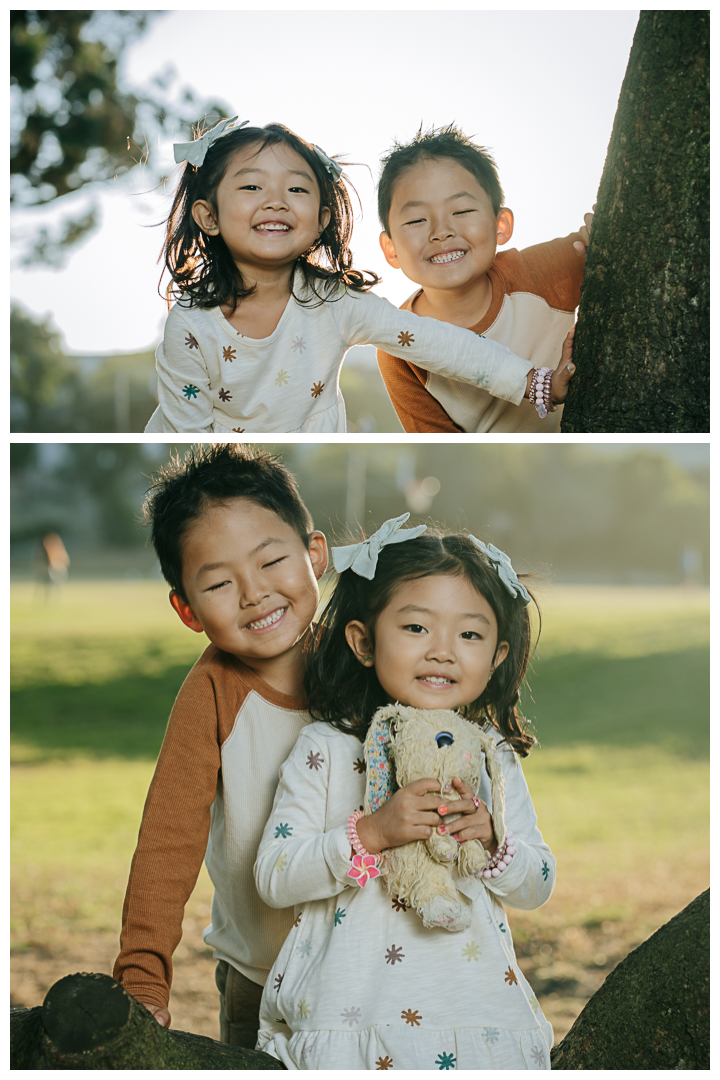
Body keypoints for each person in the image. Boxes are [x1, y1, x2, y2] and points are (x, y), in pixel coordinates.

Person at [254, 516, 555, 1070]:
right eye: (416, 628)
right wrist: (370, 834)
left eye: (469, 634)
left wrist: (493, 843)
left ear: (496, 655)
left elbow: (538, 883)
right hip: (351, 1018)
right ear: (364, 641)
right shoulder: (325, 749)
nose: (443, 651)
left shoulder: (492, 756)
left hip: (474, 1019)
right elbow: (274, 875)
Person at [144, 117, 575, 433]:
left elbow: (439, 342)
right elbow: (187, 438)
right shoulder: (190, 325)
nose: (276, 201)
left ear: (320, 218)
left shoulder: (336, 304)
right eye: (252, 186)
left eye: (296, 189)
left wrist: (533, 383)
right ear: (208, 215)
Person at [112, 443, 329, 1047]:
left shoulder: (367, 659)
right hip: (261, 979)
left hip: (377, 965)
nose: (255, 593)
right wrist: (143, 976)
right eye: (218, 583)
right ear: (187, 609)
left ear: (315, 555)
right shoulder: (212, 694)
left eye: (271, 561)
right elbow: (168, 837)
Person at [376, 124, 592, 432]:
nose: (441, 231)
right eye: (416, 219)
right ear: (391, 249)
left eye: (462, 211)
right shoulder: (399, 349)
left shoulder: (543, 271)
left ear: (500, 225)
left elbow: (609, 246)